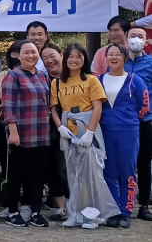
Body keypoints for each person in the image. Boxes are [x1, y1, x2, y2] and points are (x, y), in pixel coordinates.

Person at [51, 44, 113, 228]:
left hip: (87, 129)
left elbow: (97, 107)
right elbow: (54, 108)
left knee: (90, 176)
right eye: (71, 56)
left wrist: (90, 133)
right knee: (73, 174)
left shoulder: (91, 80)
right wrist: (60, 126)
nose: (74, 60)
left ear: (84, 59)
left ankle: (91, 216)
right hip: (68, 132)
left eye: (79, 56)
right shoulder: (57, 83)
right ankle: (75, 213)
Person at [1, 40, 51, 228]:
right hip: (22, 134)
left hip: (42, 134)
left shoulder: (43, 75)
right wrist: (13, 132)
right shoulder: (13, 76)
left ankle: (36, 212)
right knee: (17, 175)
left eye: (33, 52)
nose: (30, 55)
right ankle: (12, 212)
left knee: (38, 176)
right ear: (18, 55)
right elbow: (7, 107)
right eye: (26, 52)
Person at [100, 44, 149, 228]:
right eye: (110, 54)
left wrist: (128, 119)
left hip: (128, 131)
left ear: (124, 57)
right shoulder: (99, 80)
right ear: (106, 58)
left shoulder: (135, 80)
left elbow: (144, 106)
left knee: (127, 171)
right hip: (105, 131)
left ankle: (126, 211)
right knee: (109, 172)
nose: (114, 57)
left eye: (117, 54)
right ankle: (113, 211)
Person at [124, 27, 152, 221]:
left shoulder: (150, 63)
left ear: (146, 41)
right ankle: (123, 202)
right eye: (132, 36)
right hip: (123, 121)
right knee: (124, 162)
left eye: (140, 36)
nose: (136, 39)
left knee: (144, 162)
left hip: (146, 120)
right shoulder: (119, 62)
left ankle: (144, 205)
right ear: (126, 39)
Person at [0, 41, 21, 217]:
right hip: (3, 122)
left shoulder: (36, 75)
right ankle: (9, 202)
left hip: (26, 125)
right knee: (6, 163)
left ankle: (25, 201)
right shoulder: (2, 75)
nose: (17, 55)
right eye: (15, 52)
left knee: (23, 164)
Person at [39, 43, 68, 221]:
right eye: (45, 58)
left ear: (61, 55)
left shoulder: (75, 76)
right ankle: (60, 207)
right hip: (49, 130)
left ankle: (80, 204)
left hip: (77, 128)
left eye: (52, 56)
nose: (49, 60)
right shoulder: (42, 79)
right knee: (54, 168)